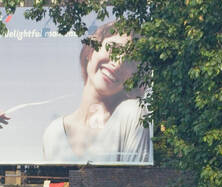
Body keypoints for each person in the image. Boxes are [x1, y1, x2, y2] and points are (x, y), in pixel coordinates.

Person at [41, 22, 151, 164]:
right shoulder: (54, 132)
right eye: (114, 49)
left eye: (130, 61)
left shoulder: (133, 113)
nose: (117, 63)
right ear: (90, 51)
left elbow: (136, 182)